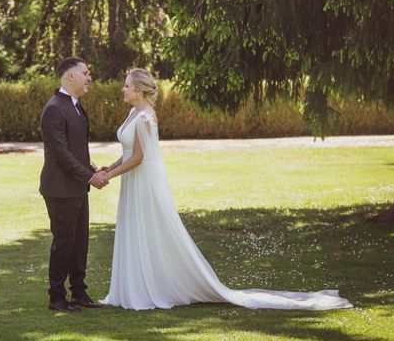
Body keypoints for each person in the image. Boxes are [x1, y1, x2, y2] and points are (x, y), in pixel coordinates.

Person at [97, 68, 353, 310]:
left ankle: (150, 288)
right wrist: (109, 167)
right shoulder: (133, 113)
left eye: (127, 85)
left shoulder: (144, 116)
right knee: (137, 229)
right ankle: (135, 286)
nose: (123, 89)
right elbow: (128, 152)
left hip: (142, 183)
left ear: (139, 90)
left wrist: (110, 176)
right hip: (133, 180)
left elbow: (139, 157)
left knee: (149, 230)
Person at [40, 57, 107, 313]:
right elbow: (60, 154)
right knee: (64, 243)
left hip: (77, 187)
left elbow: (76, 150)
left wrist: (92, 168)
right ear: (71, 76)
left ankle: (79, 293)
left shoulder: (76, 105)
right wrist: (90, 177)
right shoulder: (55, 108)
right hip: (60, 190)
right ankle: (56, 298)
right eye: (86, 73)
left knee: (80, 243)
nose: (89, 77)